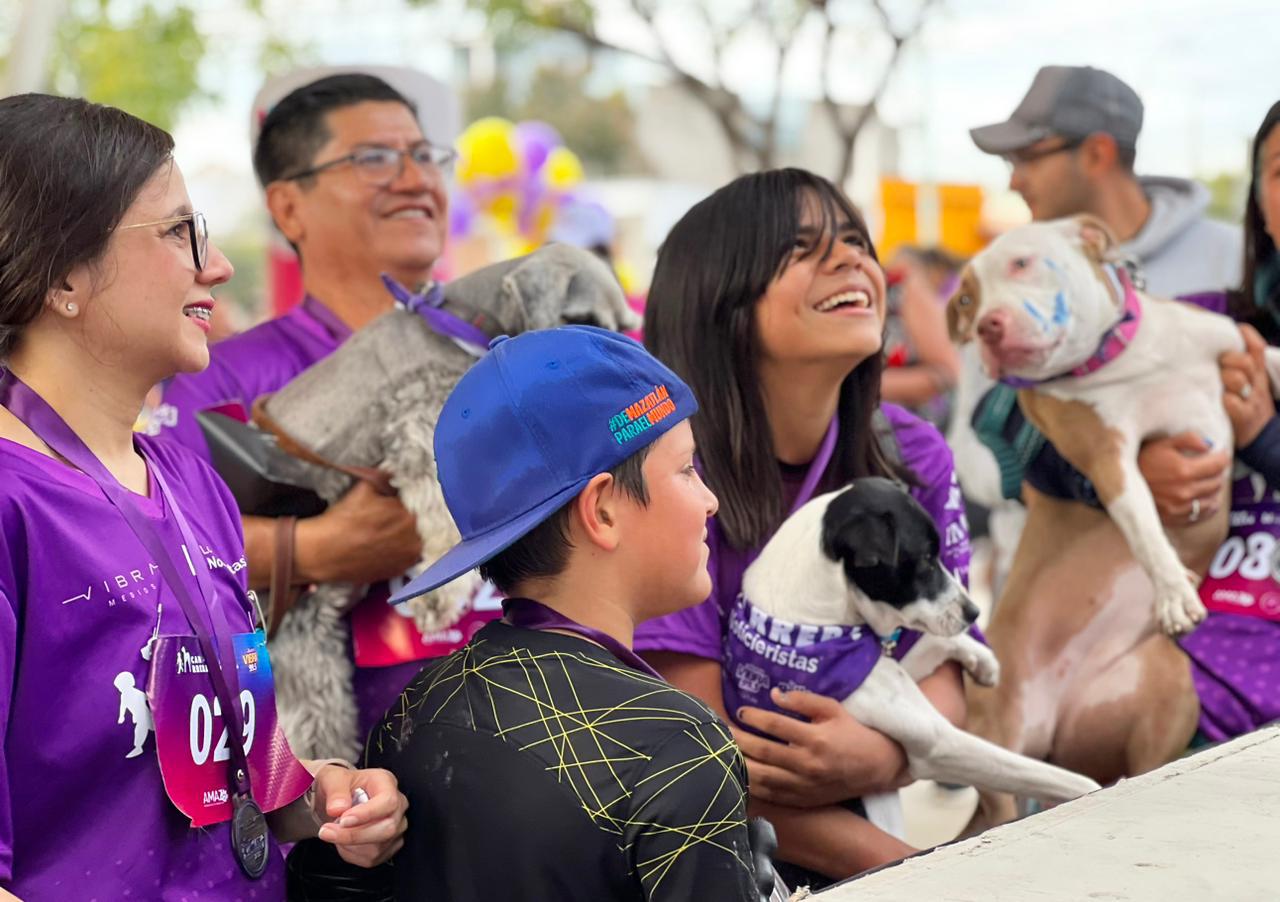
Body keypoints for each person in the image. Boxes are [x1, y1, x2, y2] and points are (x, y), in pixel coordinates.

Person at [0, 94, 406, 898]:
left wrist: (320, 792)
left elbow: (234, 768)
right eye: (180, 232)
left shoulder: (190, 483)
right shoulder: (15, 507)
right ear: (63, 274)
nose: (215, 267)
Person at [288, 327, 764, 901]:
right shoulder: (677, 746)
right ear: (603, 511)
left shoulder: (415, 710)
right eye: (688, 470)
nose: (710, 499)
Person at [632, 168, 972, 888]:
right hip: (698, 855)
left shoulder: (914, 455)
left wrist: (888, 757)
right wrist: (916, 873)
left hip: (869, 828)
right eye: (803, 248)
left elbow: (944, 661)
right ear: (719, 301)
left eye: (854, 239)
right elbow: (708, 758)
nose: (851, 258)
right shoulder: (665, 474)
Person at [152, 72, 480, 754]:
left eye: (426, 155)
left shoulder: (501, 361)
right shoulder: (219, 383)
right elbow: (145, 549)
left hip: (524, 759)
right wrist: (317, 550)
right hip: (334, 796)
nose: (416, 178)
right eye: (375, 158)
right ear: (288, 207)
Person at [962, 65, 1243, 546]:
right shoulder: (1001, 277)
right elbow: (971, 457)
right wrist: (1096, 480)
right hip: (1051, 589)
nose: (1014, 182)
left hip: (1221, 590)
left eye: (1028, 158)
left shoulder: (1232, 259)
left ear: (1097, 154)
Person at [1178, 99, 1280, 743]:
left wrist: (1267, 440)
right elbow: (1009, 421)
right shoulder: (1206, 321)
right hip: (1170, 690)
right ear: (1261, 208)